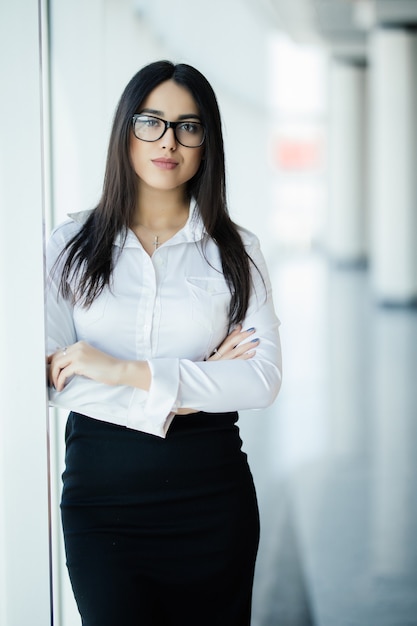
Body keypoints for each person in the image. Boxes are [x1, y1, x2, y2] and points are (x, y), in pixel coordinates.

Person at [46, 60, 282, 626]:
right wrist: (197, 381)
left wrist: (116, 370)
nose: (168, 141)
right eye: (151, 122)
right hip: (101, 505)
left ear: (207, 142)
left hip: (211, 500)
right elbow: (52, 379)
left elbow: (261, 380)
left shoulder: (235, 251)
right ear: (125, 130)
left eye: (188, 126)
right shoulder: (70, 245)